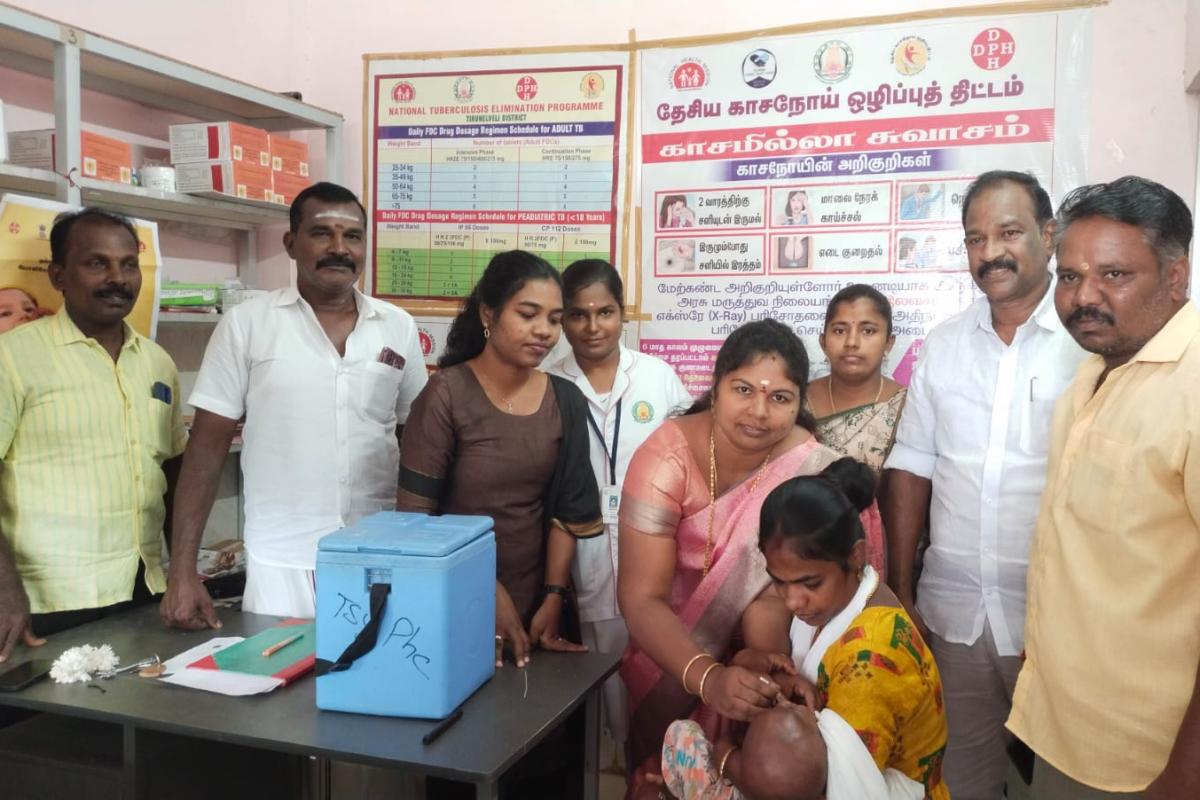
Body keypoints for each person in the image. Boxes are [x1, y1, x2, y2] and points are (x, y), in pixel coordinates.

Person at [881, 170, 1085, 800]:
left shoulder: (1088, 343)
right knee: (960, 782)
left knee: (1059, 784)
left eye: (1009, 232)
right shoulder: (943, 346)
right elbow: (912, 464)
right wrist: (902, 588)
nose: (990, 252)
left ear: (1048, 235)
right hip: (955, 614)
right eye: (975, 238)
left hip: (1057, 623)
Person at [618, 319, 884, 795]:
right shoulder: (665, 457)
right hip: (671, 664)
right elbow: (640, 599)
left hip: (776, 672)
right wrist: (710, 678)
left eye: (780, 398)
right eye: (743, 390)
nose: (759, 412)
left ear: (799, 402)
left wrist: (766, 667)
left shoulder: (811, 468)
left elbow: (799, 596)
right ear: (716, 386)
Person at [1008, 176, 1200, 800]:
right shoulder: (1090, 378)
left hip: (1147, 761)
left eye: (1114, 275)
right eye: (1070, 276)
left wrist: (1184, 777)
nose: (1083, 297)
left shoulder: (1191, 388)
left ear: (1175, 277)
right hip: (1060, 728)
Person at [161, 182, 427, 626]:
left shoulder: (397, 326)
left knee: (378, 667)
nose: (339, 248)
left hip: (378, 550)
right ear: (290, 243)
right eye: (322, 233)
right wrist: (183, 571)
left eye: (353, 236)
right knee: (282, 669)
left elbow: (417, 440)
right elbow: (205, 451)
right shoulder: (247, 325)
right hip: (282, 559)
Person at [398, 249, 601, 799]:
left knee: (546, 763)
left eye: (554, 319)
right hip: (457, 604)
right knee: (467, 757)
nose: (544, 331)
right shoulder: (446, 394)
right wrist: (485, 591)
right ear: (489, 314)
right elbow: (415, 521)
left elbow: (569, 511)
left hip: (543, 608)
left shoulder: (564, 399)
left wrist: (553, 597)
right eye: (527, 314)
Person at [659, 459, 944, 800]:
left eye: (810, 583)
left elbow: (809, 788)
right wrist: (776, 677)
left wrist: (727, 759)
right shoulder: (838, 602)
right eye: (780, 582)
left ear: (856, 556)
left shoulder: (871, 662)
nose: (793, 601)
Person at [0, 208, 185, 659]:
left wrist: (183, 572)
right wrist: (4, 589)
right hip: (43, 603)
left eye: (129, 264)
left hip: (143, 590)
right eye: (97, 263)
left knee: (140, 703)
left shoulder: (157, 362)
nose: (118, 278)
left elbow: (173, 472)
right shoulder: (13, 357)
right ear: (59, 275)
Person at [546, 258, 692, 757]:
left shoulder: (656, 376)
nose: (593, 327)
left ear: (622, 314)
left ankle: (648, 765)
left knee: (653, 662)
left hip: (651, 547)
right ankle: (606, 765)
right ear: (563, 318)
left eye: (605, 312)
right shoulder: (548, 381)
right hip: (579, 550)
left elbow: (689, 457)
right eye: (578, 314)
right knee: (595, 668)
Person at [807, 284, 906, 476]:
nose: (852, 342)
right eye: (839, 331)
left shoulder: (906, 406)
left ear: (888, 343)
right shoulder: (797, 401)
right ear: (823, 341)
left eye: (868, 331)